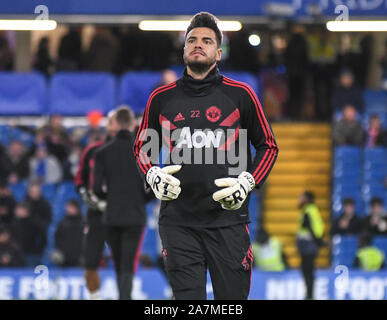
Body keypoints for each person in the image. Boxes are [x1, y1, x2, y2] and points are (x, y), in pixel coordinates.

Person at [133, 12, 278, 300]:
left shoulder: (242, 95)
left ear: (218, 52)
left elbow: (269, 146)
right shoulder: (160, 98)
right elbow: (142, 147)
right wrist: (152, 174)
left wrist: (247, 182)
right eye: (192, 40)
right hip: (178, 223)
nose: (199, 44)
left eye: (207, 41)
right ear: (184, 49)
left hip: (229, 223)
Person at [93, 106, 152, 300]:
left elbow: (97, 189)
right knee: (128, 262)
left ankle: (123, 297)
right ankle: (125, 297)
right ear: (133, 124)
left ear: (116, 124)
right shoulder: (143, 152)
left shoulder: (103, 152)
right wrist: (140, 200)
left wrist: (110, 198)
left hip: (113, 215)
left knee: (118, 262)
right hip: (135, 215)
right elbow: (155, 186)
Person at [75, 109, 116, 300]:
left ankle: (125, 293)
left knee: (126, 260)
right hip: (96, 213)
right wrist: (85, 195)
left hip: (121, 212)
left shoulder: (134, 150)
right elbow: (80, 180)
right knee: (90, 260)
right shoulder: (92, 151)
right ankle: (95, 296)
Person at [296, 191, 324, 300]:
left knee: (307, 270)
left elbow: (310, 227)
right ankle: (309, 294)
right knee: (308, 270)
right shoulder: (313, 209)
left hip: (308, 245)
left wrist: (318, 242)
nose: (300, 199)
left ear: (307, 199)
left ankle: (309, 294)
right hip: (310, 244)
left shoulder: (308, 210)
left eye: (302, 197)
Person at [11, 202, 46, 266]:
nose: (17, 211)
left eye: (20, 210)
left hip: (31, 253)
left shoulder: (35, 223)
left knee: (31, 272)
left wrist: (39, 250)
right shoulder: (14, 223)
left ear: (26, 211)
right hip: (16, 253)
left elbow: (43, 238)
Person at [53, 199, 84, 267]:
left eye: (71, 207)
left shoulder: (83, 223)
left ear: (77, 208)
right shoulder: (62, 223)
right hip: (65, 259)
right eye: (68, 207)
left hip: (80, 258)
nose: (68, 209)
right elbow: (57, 238)